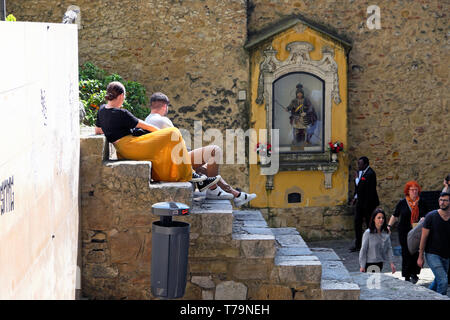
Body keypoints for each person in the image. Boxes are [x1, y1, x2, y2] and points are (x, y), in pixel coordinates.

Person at [94, 82, 220, 191]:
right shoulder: (121, 113)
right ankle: (191, 175)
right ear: (121, 96)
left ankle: (195, 177)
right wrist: (160, 136)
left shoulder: (101, 110)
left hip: (123, 150)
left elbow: (98, 131)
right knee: (173, 132)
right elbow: (147, 127)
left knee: (167, 143)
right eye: (124, 96)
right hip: (132, 146)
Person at [145, 92, 257, 207]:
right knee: (214, 151)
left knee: (205, 169)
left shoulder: (148, 120)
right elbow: (180, 144)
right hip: (173, 163)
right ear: (165, 106)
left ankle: (236, 195)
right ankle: (213, 190)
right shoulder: (162, 120)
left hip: (167, 162)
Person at [387, 181, 429, 283]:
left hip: (417, 231)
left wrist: (424, 218)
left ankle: (414, 273)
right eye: (412, 190)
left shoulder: (422, 202)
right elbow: (395, 215)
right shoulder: (402, 202)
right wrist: (389, 226)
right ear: (408, 191)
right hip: (404, 231)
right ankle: (406, 275)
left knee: (415, 251)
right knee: (406, 252)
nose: (414, 192)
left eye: (416, 190)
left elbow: (427, 215)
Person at [417, 192, 450, 295]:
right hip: (432, 254)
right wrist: (420, 256)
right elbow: (424, 237)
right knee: (443, 281)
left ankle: (428, 295)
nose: (442, 202)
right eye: (440, 200)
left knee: (438, 280)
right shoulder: (431, 216)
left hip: (447, 255)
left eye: (445, 200)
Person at [349, 156, 380, 252]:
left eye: (360, 164)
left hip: (368, 204)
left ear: (366, 164)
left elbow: (367, 189)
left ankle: (371, 246)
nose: (358, 166)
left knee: (369, 224)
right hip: (360, 203)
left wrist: (357, 180)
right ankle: (358, 244)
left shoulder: (371, 174)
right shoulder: (359, 173)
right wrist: (355, 198)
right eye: (358, 164)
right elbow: (358, 189)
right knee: (357, 223)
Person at [359, 208, 396, 274]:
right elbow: (363, 250)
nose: (381, 220)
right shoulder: (368, 233)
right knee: (373, 283)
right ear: (374, 219)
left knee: (376, 283)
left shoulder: (386, 232)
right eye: (379, 218)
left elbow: (389, 248)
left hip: (380, 263)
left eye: (383, 218)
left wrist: (392, 263)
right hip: (370, 264)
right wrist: (362, 266)